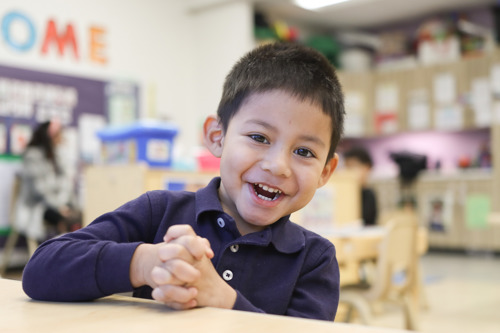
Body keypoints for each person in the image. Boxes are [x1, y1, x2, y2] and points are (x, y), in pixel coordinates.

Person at [22, 43, 345, 321]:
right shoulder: (158, 211)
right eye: (259, 137)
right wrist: (145, 263)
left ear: (325, 172)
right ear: (217, 137)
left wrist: (224, 300)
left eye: (303, 151)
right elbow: (41, 270)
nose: (278, 166)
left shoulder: (315, 259)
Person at [13, 119, 80, 241]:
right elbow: (40, 191)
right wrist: (59, 206)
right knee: (63, 218)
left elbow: (66, 184)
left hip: (56, 203)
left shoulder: (57, 157)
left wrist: (64, 204)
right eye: (59, 135)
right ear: (50, 137)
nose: (61, 139)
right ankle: (63, 251)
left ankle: (69, 249)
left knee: (77, 214)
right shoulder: (32, 157)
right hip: (36, 205)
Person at [343, 146, 378, 226]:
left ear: (367, 168)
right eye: (347, 167)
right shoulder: (345, 195)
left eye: (353, 167)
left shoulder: (369, 194)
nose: (350, 173)